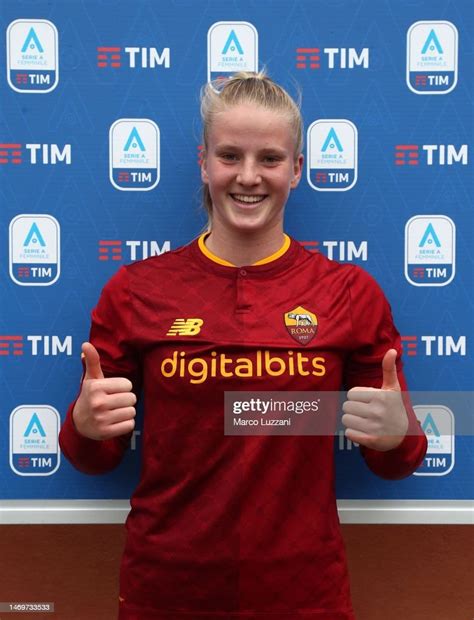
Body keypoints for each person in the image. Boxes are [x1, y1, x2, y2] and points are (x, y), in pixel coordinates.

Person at [59, 71, 427, 619]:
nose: (248, 177)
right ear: (204, 161)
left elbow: (396, 461)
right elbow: (90, 456)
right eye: (230, 156)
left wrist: (397, 437)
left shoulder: (349, 293)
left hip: (304, 594)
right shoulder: (136, 291)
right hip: (166, 590)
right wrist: (84, 428)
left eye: (270, 159)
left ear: (297, 169)